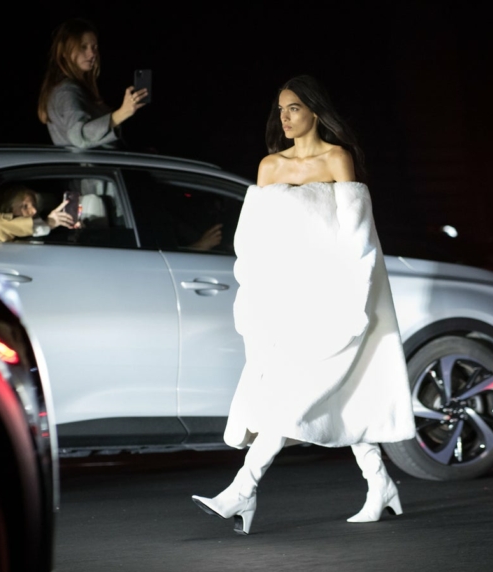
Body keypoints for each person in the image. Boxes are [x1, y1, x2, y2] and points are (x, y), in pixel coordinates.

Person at [191, 75, 415, 535]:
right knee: (326, 393)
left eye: (293, 108)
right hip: (283, 304)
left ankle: (242, 490)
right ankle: (380, 484)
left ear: (314, 110)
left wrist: (354, 297)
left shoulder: (336, 159)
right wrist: (254, 298)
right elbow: (253, 242)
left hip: (332, 299)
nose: (285, 118)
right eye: (280, 110)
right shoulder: (269, 167)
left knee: (299, 396)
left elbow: (357, 236)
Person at [37, 18, 148, 149]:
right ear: (65, 52)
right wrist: (123, 112)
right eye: (83, 47)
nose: (92, 54)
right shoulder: (66, 91)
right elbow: (79, 136)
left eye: (94, 47)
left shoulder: (72, 88)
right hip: (89, 163)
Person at [0, 183, 76, 242]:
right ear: (8, 210)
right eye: (25, 206)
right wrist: (47, 224)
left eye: (34, 205)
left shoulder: (34, 228)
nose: (34, 211)